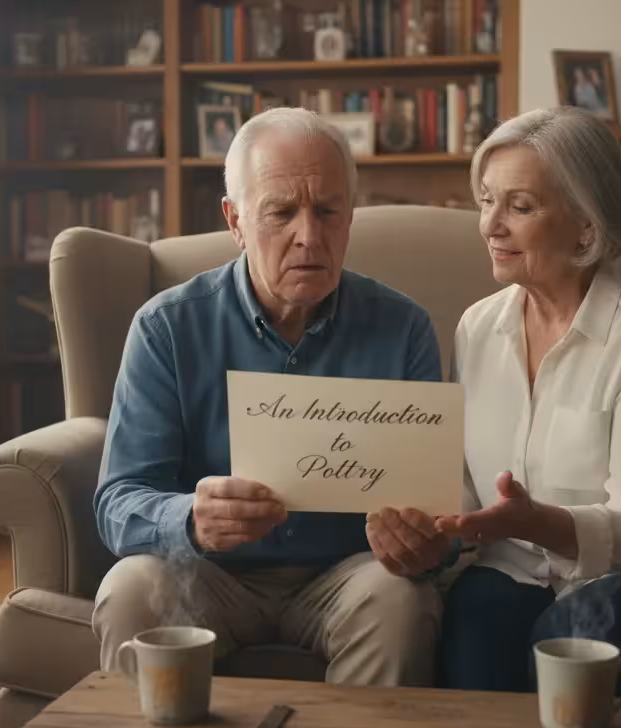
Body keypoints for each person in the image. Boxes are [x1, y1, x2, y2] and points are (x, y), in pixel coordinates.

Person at [92, 107, 447, 687]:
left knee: (401, 602)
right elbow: (117, 501)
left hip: (348, 571)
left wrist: (424, 541)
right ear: (235, 220)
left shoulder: (404, 328)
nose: (309, 235)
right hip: (209, 573)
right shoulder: (166, 327)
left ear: (350, 216)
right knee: (130, 590)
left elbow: (438, 513)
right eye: (281, 212)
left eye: (328, 210)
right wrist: (190, 519)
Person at [433, 107, 621, 693]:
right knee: (471, 668)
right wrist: (432, 525)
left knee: (568, 647)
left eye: (520, 207)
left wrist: (536, 521)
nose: (491, 225)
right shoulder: (475, 328)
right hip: (513, 569)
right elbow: (464, 493)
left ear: (587, 229)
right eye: (486, 200)